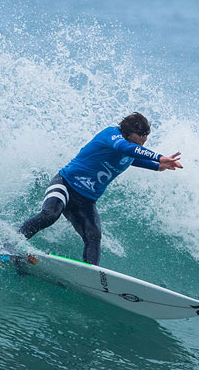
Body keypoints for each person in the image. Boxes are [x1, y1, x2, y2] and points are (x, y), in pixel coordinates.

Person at [18, 112, 182, 265]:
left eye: (144, 141)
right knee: (49, 215)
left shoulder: (131, 148)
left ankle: (90, 276)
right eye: (139, 140)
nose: (142, 143)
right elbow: (126, 149)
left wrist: (158, 166)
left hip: (86, 200)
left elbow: (131, 157)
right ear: (128, 133)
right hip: (65, 184)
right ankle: (13, 243)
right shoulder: (112, 135)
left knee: (93, 236)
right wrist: (159, 157)